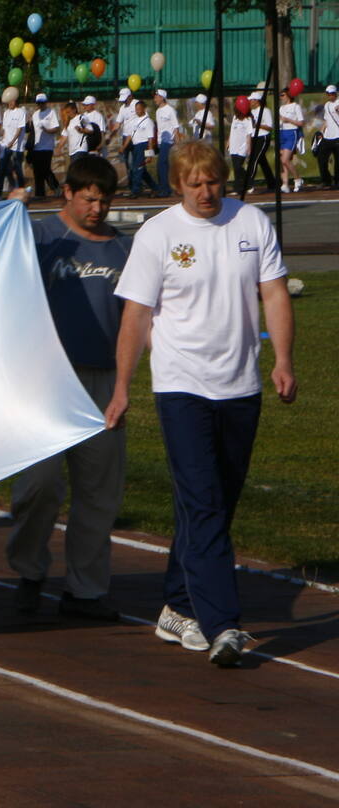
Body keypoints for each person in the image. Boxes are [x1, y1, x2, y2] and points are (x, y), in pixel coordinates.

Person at [106, 141, 296, 667]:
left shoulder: (252, 224)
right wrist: (123, 388)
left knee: (214, 504)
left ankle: (178, 603)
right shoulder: (158, 235)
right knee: (205, 501)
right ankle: (223, 625)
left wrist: (282, 361)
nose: (206, 192)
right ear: (177, 186)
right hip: (181, 386)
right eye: (195, 184)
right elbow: (136, 317)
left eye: (213, 182)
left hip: (241, 386)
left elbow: (275, 293)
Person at [5, 155, 131, 621]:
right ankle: (29, 569)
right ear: (68, 193)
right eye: (88, 198)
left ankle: (86, 591)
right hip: (46, 378)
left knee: (98, 492)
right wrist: (9, 209)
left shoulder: (124, 250)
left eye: (104, 200)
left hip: (103, 381)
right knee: (37, 485)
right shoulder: (42, 238)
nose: (97, 208)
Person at [122, 99, 157, 198]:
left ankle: (135, 190)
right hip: (136, 146)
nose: (137, 111)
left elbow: (150, 139)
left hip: (143, 145)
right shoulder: (134, 121)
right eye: (136, 109)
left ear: (144, 109)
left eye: (139, 109)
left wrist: (149, 155)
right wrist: (123, 147)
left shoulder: (148, 122)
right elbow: (130, 136)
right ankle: (156, 188)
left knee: (137, 168)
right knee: (140, 169)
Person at [28, 93, 61, 197]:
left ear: (46, 103)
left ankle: (55, 187)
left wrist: (46, 130)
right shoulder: (35, 114)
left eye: (42, 103)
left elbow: (56, 128)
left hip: (47, 147)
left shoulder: (51, 113)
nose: (40, 105)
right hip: (36, 147)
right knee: (37, 171)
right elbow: (32, 130)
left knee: (45, 169)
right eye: (38, 103)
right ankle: (39, 193)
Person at [244, 91, 277, 194]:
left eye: (252, 100)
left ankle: (248, 184)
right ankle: (272, 183)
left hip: (263, 137)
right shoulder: (252, 112)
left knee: (254, 160)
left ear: (257, 101)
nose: (250, 102)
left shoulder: (265, 111)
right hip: (254, 137)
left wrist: (257, 125)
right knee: (263, 162)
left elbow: (270, 126)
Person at [0, 90, 27, 193]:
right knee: (2, 168)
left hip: (16, 147)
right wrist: (2, 141)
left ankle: (22, 190)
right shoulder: (6, 113)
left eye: (12, 101)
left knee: (18, 170)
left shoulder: (21, 112)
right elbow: (4, 130)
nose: (10, 104)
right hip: (6, 145)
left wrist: (13, 141)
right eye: (8, 102)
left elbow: (19, 129)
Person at [276, 86, 305, 193]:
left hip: (291, 133)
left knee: (285, 159)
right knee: (282, 161)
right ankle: (285, 184)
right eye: (280, 95)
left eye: (282, 95)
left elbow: (301, 122)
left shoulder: (295, 106)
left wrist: (288, 120)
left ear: (288, 95)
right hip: (282, 133)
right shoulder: (281, 108)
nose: (281, 97)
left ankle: (298, 179)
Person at [152, 89, 179, 195]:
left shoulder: (170, 110)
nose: (155, 99)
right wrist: (157, 142)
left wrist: (176, 142)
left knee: (161, 164)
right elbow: (159, 128)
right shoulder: (158, 111)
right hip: (161, 142)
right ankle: (167, 189)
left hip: (168, 141)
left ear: (162, 97)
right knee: (165, 165)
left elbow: (176, 127)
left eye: (156, 97)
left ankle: (164, 189)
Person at [227, 102, 254, 198]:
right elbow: (232, 131)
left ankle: (245, 184)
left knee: (238, 166)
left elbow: (249, 134)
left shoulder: (248, 119)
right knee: (236, 168)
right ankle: (242, 186)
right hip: (233, 146)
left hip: (242, 146)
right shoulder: (235, 117)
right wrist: (229, 141)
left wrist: (249, 147)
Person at [316, 85, 339, 190]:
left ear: (336, 93)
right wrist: (321, 132)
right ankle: (326, 180)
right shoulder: (327, 105)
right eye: (328, 94)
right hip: (328, 136)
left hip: (338, 135)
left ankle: (337, 181)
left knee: (338, 161)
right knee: (321, 158)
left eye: (332, 93)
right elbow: (327, 120)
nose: (330, 96)